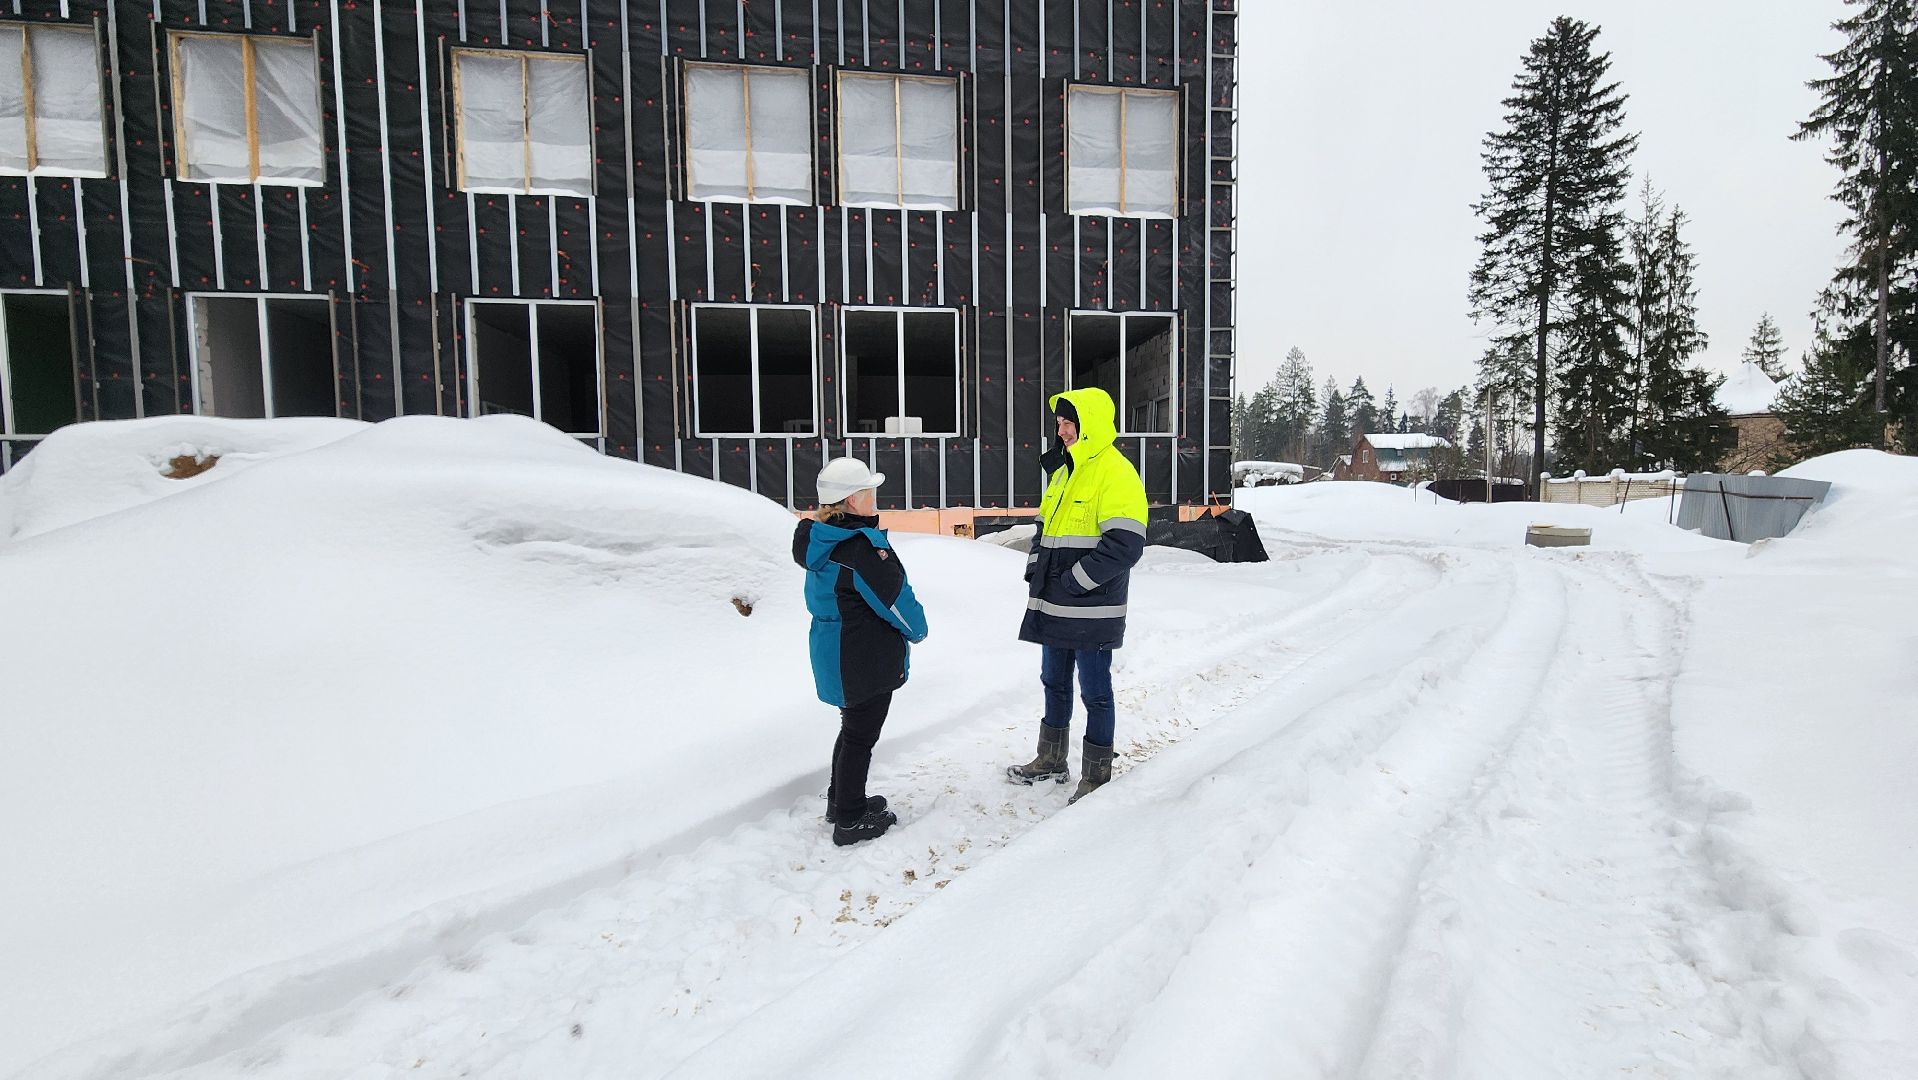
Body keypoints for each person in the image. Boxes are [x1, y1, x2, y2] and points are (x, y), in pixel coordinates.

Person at [1006, 388, 1148, 803]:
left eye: (1069, 423)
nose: (1061, 430)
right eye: (1059, 423)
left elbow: (1125, 544)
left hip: (1091, 607)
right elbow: (1044, 528)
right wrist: (1036, 565)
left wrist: (1075, 581)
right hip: (1054, 603)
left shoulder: (1116, 471)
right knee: (1053, 680)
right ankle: (1051, 759)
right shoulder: (1064, 472)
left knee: (1095, 690)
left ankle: (1096, 774)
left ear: (1090, 425)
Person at [793, 457, 929, 846]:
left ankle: (842, 802)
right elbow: (895, 600)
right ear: (852, 501)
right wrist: (918, 631)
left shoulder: (821, 539)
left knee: (852, 729)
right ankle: (850, 821)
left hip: (836, 651)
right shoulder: (861, 550)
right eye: (869, 492)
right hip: (862, 656)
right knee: (860, 735)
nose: (875, 498)